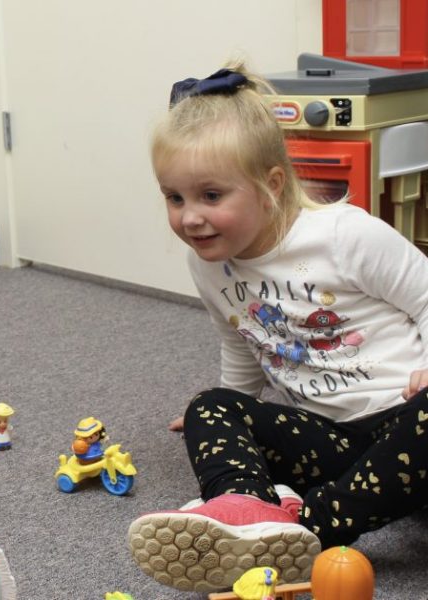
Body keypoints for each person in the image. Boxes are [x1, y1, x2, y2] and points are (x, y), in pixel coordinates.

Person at [126, 62, 428, 593]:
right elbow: (241, 345)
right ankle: (245, 510)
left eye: (211, 196)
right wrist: (231, 416)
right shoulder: (208, 266)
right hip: (336, 441)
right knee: (209, 405)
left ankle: (313, 525)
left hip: (408, 418)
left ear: (270, 186)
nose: (189, 217)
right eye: (174, 198)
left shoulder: (344, 235)